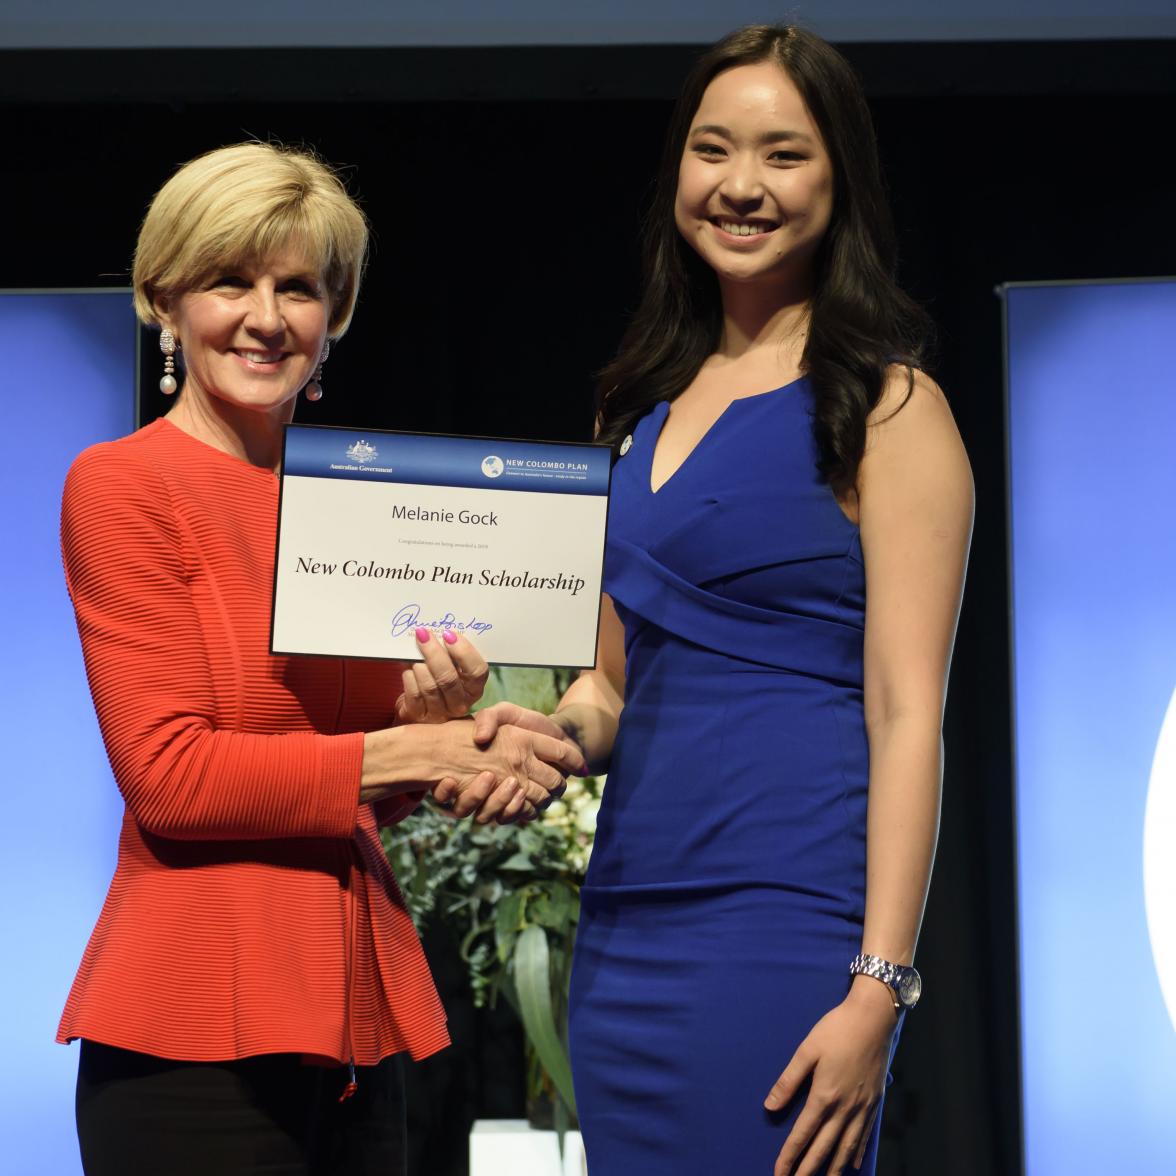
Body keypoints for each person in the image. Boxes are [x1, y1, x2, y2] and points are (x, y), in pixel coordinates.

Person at [467, 25, 973, 1175]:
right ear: (677, 174)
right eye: (714, 150)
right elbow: (610, 688)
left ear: (840, 181)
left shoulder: (890, 410)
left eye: (785, 155)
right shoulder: (632, 406)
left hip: (787, 927)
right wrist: (542, 737)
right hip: (628, 934)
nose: (742, 186)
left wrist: (878, 988)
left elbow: (907, 716)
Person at [58, 142, 581, 1176]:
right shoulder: (120, 486)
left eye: (299, 288)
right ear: (164, 299)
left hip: (353, 1010)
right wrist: (406, 752)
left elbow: (342, 786)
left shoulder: (358, 508)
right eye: (228, 280)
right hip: (190, 1032)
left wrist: (454, 741)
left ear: (334, 316)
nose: (266, 315)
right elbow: (173, 779)